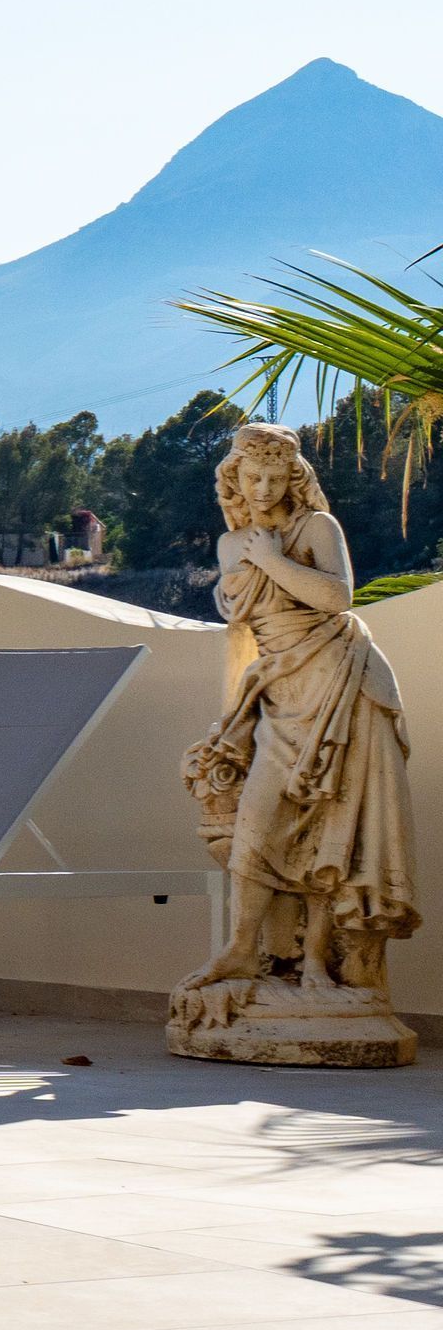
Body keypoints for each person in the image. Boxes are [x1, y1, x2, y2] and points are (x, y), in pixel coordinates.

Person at [180, 422, 418, 997]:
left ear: (294, 476)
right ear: (234, 478)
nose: (262, 488)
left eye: (273, 476)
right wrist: (237, 713)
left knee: (329, 821)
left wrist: (272, 559)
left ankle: (315, 964)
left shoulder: (317, 526)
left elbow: (339, 597)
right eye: (251, 476)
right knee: (260, 820)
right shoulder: (231, 544)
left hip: (344, 683)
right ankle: (241, 951)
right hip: (283, 694)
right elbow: (244, 634)